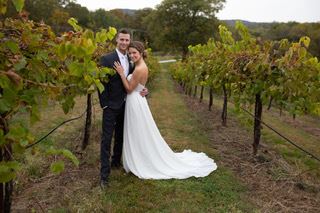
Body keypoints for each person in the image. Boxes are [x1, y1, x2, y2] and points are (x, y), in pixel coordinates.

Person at [113, 41, 217, 179]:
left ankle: (140, 160)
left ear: (141, 53)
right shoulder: (140, 66)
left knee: (137, 130)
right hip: (138, 99)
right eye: (130, 53)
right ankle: (139, 156)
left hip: (135, 101)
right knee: (139, 131)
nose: (131, 55)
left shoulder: (139, 69)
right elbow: (139, 86)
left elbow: (129, 88)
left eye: (134, 53)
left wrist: (121, 73)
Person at [98, 29, 147, 188]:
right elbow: (101, 83)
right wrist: (104, 104)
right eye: (122, 40)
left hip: (127, 104)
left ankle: (116, 162)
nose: (125, 43)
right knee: (107, 139)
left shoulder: (131, 58)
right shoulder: (106, 59)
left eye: (127, 40)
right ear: (116, 40)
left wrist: (144, 90)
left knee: (120, 135)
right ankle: (104, 176)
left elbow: (136, 80)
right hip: (111, 105)